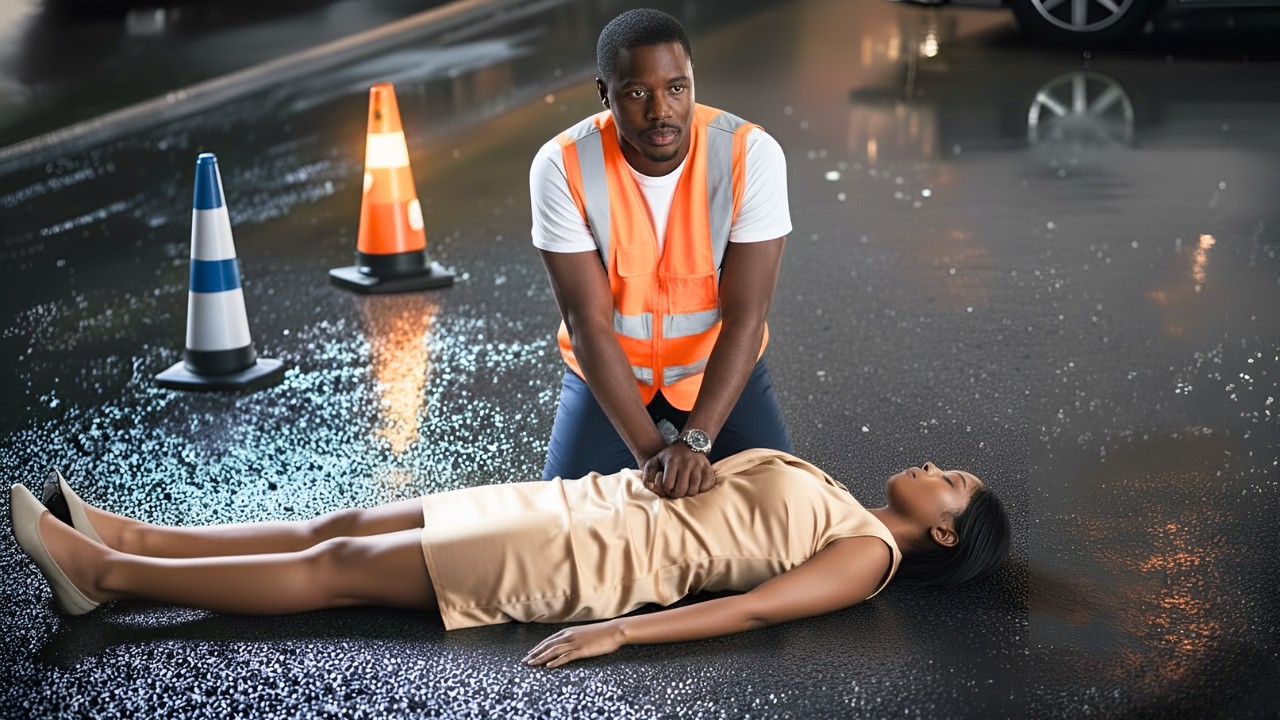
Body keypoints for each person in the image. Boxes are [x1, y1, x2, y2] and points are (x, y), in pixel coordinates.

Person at [10, 449, 1010, 668]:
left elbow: (757, 610)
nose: (937, 468)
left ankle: (105, 577)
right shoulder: (839, 491)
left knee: (343, 564)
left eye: (952, 484)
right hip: (574, 503)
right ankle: (130, 537)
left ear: (942, 536)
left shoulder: (868, 553)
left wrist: (617, 631)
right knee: (343, 522)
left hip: (584, 552)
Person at [531, 9, 793, 494]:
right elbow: (587, 323)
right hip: (611, 378)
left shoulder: (749, 153)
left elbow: (746, 315)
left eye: (677, 88)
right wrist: (652, 457)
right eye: (636, 93)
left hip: (715, 371)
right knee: (563, 519)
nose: (661, 111)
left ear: (692, 81)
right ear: (603, 92)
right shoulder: (562, 164)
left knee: (783, 502)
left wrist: (695, 442)